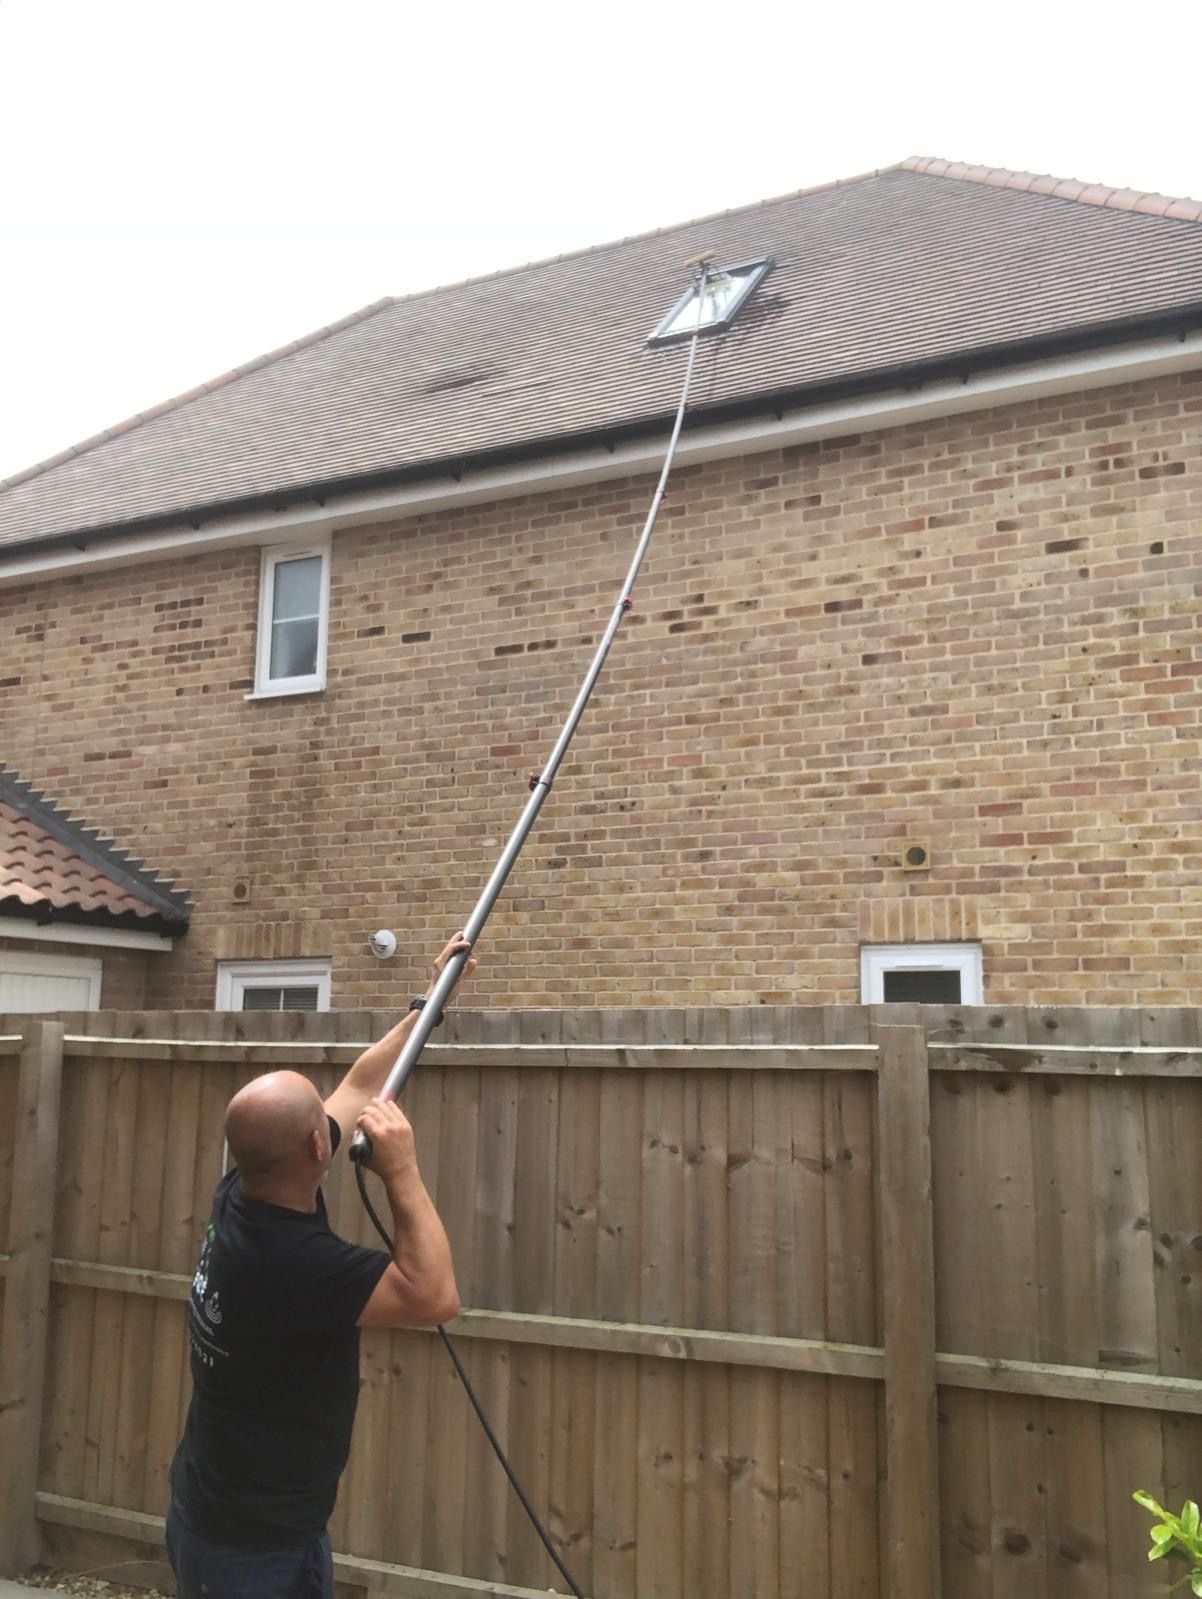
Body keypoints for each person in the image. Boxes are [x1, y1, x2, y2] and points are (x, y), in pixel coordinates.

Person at [166, 933, 476, 1599]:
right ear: (317, 1144)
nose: (330, 1113)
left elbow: (362, 1081)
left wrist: (431, 1001)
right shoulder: (292, 1264)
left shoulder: (244, 1185)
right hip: (245, 1547)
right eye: (321, 1117)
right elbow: (435, 1295)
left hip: (248, 1512)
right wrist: (403, 1170)